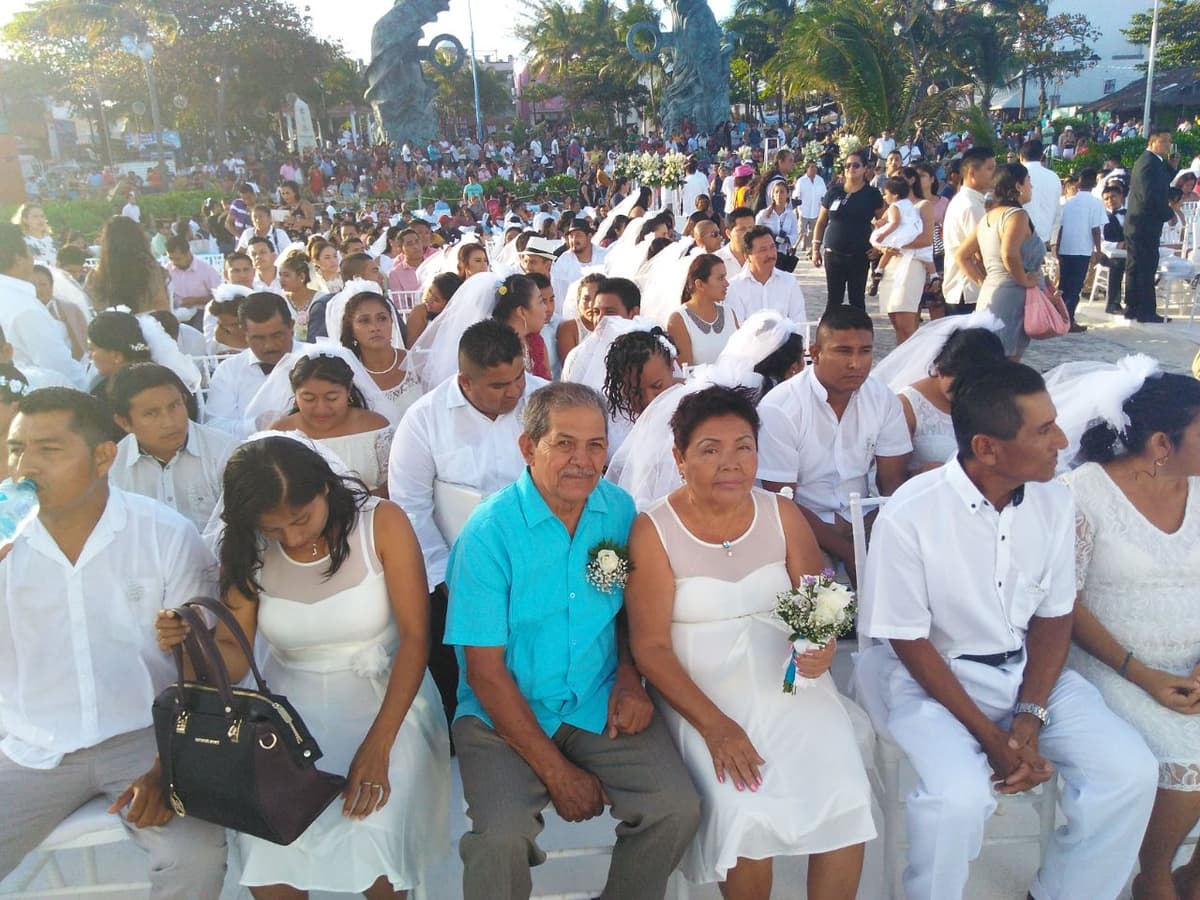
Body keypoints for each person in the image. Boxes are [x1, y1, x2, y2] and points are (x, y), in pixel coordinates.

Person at [855, 362, 1159, 900]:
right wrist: (992, 737)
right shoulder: (911, 515)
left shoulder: (1056, 501)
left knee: (1130, 772)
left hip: (1026, 672)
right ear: (987, 448)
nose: (1061, 442)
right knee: (958, 799)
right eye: (1043, 431)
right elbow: (908, 642)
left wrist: (1030, 712)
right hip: (930, 682)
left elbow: (1054, 615)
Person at [154, 436, 450, 898]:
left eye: (301, 518)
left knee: (372, 826)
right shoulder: (246, 549)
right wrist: (194, 644)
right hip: (288, 715)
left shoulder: (381, 523)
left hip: (389, 698)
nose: (292, 537)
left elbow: (417, 638)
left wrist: (378, 746)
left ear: (325, 489)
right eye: (274, 528)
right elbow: (233, 655)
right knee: (268, 839)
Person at [444, 381, 702, 900]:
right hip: (504, 714)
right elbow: (485, 674)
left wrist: (630, 679)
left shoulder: (619, 510)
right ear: (527, 447)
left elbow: (632, 614)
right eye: (564, 443)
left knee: (676, 807)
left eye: (595, 445)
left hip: (596, 698)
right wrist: (557, 772)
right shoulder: (488, 533)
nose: (582, 461)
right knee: (500, 836)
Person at [626, 384, 875, 898]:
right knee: (746, 810)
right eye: (710, 450)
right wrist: (716, 727)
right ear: (679, 457)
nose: (731, 463)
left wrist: (821, 643)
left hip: (788, 682)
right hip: (702, 694)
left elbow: (816, 599)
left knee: (843, 792)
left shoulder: (782, 515)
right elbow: (649, 647)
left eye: (744, 446)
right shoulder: (653, 531)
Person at [0, 387, 228, 899]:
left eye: (49, 450)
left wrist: (168, 763)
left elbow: (203, 667)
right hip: (28, 746)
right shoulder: (5, 536)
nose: (25, 466)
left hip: (148, 737)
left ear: (105, 456)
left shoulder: (164, 535)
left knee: (194, 860)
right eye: (17, 449)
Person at [388, 319, 547, 730]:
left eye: (518, 377)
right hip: (455, 577)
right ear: (465, 380)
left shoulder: (544, 403)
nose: (514, 391)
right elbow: (410, 508)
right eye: (498, 386)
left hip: (542, 562)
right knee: (465, 679)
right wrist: (448, 577)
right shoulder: (424, 420)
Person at [758, 305, 912, 569]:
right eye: (843, 351)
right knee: (816, 586)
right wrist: (851, 553)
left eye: (865, 351)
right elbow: (782, 503)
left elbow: (892, 484)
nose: (856, 363)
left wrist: (885, 536)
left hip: (866, 518)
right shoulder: (781, 407)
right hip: (805, 525)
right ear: (815, 353)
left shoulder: (882, 398)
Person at [108, 363, 237, 532]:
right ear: (124, 422)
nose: (169, 422)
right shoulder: (113, 469)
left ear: (184, 400)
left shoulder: (226, 453)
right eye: (151, 413)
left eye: (174, 406)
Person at [954, 163, 1049, 360]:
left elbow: (962, 255)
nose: (1031, 186)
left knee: (990, 359)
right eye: (1028, 181)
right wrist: (1022, 279)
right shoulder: (1017, 215)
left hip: (992, 292)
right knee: (1006, 361)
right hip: (1013, 295)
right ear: (1018, 186)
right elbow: (1009, 253)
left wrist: (983, 281)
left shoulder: (989, 217)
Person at [894, 325, 1007, 473]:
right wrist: (921, 474)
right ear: (940, 371)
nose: (966, 394)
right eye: (959, 387)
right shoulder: (906, 406)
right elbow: (890, 479)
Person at [205, 292, 299, 436]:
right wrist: (255, 425)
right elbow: (214, 428)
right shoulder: (229, 370)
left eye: (277, 335)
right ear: (244, 333)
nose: (269, 346)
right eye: (258, 338)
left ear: (291, 326)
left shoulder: (314, 358)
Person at [810, 151, 885, 313]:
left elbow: (883, 223)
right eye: (847, 165)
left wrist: (879, 247)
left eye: (856, 165)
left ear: (865, 168)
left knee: (856, 300)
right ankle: (829, 336)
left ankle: (858, 336)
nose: (851, 168)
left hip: (859, 255)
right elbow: (821, 221)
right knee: (833, 300)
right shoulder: (834, 192)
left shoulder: (872, 194)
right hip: (833, 254)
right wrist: (815, 248)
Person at [341, 289, 421, 418]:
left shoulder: (418, 363)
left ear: (391, 321)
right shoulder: (348, 375)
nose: (375, 328)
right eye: (364, 321)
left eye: (382, 318)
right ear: (351, 329)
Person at [1125, 129, 1176, 323]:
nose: (1168, 145)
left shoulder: (1155, 162)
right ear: (1153, 142)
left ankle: (1133, 306)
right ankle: (1145, 310)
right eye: (1164, 141)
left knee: (1136, 266)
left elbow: (1161, 182)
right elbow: (1150, 195)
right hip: (1143, 223)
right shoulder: (1148, 162)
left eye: (1169, 141)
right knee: (1145, 267)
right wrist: (1168, 213)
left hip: (1140, 223)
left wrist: (1173, 167)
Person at [942, 146, 996, 315]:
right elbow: (980, 251)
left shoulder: (969, 201)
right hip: (967, 289)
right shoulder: (970, 205)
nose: (994, 174)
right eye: (989, 169)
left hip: (966, 288)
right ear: (972, 173)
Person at [1056, 168, 1107, 333]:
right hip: (1082, 249)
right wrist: (1098, 250)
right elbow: (1096, 230)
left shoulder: (1068, 202)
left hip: (1066, 247)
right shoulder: (1095, 203)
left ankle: (1059, 318)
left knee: (1064, 285)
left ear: (1079, 182)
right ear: (1094, 183)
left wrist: (1058, 245)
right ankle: (1069, 320)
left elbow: (1061, 227)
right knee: (1075, 287)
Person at [87, 215, 170, 314]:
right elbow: (162, 306)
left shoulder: (96, 274)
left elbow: (94, 308)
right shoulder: (151, 270)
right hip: (148, 326)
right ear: (138, 238)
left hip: (110, 326)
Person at [725, 226, 807, 325]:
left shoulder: (789, 281)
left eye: (772, 247)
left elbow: (799, 322)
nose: (770, 254)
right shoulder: (734, 287)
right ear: (747, 256)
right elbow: (736, 328)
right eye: (762, 250)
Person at [667, 254, 734, 367]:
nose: (727, 283)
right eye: (720, 278)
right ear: (700, 284)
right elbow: (686, 372)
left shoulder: (729, 312)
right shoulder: (678, 320)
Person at [165, 235, 222, 327]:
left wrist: (196, 300)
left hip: (201, 312)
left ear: (188, 253)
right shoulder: (167, 270)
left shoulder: (206, 270)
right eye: (171, 258)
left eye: (177, 259)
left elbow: (219, 298)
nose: (174, 262)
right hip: (176, 312)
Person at [1019, 140, 1063, 247]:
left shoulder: (1018, 175)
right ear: (1042, 156)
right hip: (1046, 240)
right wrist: (1053, 242)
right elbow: (1058, 211)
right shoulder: (1054, 177)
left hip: (1020, 238)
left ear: (1020, 157)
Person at [555, 272, 604, 365]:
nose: (591, 305)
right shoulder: (569, 328)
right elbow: (570, 368)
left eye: (597, 298)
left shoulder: (614, 326)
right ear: (578, 301)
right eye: (586, 299)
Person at [405, 271, 462, 347]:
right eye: (430, 292)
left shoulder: (457, 318)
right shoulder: (420, 312)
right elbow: (410, 348)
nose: (429, 299)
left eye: (436, 300)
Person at [277, 249, 318, 341]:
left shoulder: (321, 299)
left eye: (286, 275)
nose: (281, 279)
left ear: (302, 277)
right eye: (280, 275)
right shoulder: (279, 301)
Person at [1100, 183, 1128, 315]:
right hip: (1107, 254)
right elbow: (1099, 241)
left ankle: (1133, 302)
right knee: (1117, 265)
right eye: (1106, 198)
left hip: (1129, 252)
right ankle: (1113, 304)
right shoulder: (1101, 216)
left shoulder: (1130, 214)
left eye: (1113, 197)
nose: (1110, 201)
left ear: (1121, 196)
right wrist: (1117, 245)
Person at [755, 180, 798, 256]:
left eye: (782, 192)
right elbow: (755, 231)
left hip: (783, 254)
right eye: (776, 192)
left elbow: (794, 235)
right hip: (766, 253)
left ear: (788, 195)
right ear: (773, 195)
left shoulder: (791, 215)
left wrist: (786, 239)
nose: (779, 195)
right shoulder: (764, 214)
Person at [792, 162, 827, 253]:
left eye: (815, 167)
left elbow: (824, 195)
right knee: (801, 231)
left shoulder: (820, 180)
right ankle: (795, 247)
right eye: (811, 167)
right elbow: (796, 195)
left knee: (813, 232)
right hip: (803, 210)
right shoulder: (801, 181)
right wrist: (795, 209)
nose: (813, 169)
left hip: (815, 210)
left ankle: (811, 250)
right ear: (807, 169)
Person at [715, 207, 757, 279]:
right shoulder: (715, 261)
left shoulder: (761, 257)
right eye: (742, 229)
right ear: (728, 233)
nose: (748, 233)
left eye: (751, 228)